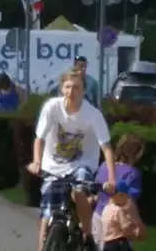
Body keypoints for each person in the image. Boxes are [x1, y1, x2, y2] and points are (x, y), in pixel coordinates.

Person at [27, 67, 117, 251]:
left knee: (79, 192)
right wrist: (37, 162)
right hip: (53, 167)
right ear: (61, 89)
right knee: (46, 213)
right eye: (68, 87)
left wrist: (111, 179)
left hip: (81, 165)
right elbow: (40, 139)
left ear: (84, 91)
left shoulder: (92, 114)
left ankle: (87, 234)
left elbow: (106, 148)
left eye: (76, 87)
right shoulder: (51, 108)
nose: (71, 92)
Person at [93, 135, 144, 246]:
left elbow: (96, 188)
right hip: (118, 220)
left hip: (98, 214)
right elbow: (130, 200)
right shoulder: (133, 173)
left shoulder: (104, 166)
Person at [100, 179, 147, 251]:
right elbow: (126, 227)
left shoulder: (106, 209)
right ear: (120, 195)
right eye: (126, 195)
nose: (128, 198)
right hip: (118, 244)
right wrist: (134, 233)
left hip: (107, 245)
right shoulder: (119, 210)